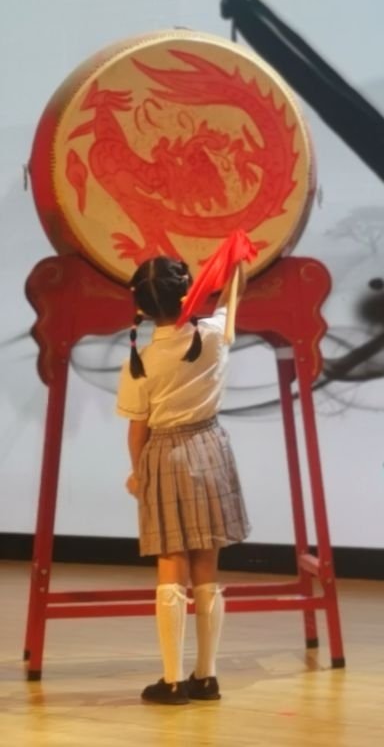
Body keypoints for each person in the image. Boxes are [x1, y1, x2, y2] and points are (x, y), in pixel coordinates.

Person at [116, 257, 250, 705]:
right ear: (187, 294)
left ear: (140, 307)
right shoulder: (213, 335)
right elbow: (235, 291)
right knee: (206, 563)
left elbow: (137, 430)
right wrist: (234, 262)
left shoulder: (141, 361)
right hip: (211, 447)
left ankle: (172, 680)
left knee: (171, 562)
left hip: (166, 455)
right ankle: (206, 676)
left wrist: (138, 474)